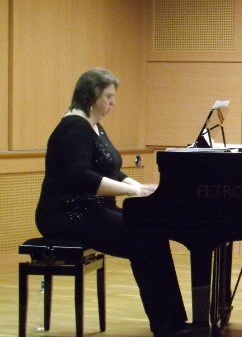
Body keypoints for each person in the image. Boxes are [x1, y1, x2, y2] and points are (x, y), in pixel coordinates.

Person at [35, 68, 191, 337]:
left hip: (92, 209)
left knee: (153, 233)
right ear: (92, 95)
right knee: (143, 238)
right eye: (108, 96)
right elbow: (81, 176)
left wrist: (140, 187)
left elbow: (111, 171)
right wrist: (131, 191)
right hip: (68, 213)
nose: (113, 102)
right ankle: (166, 327)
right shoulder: (74, 127)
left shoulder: (93, 126)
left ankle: (175, 322)